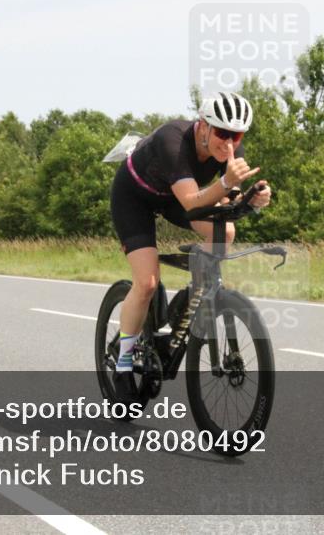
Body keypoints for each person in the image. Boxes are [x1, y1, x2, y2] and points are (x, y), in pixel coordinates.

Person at [109, 91, 272, 402]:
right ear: (203, 126)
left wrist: (252, 199)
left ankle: (196, 292)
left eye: (236, 135)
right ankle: (124, 363)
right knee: (146, 282)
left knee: (225, 232)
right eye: (223, 133)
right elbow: (192, 200)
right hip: (135, 198)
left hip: (174, 196)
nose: (229, 142)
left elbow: (227, 201)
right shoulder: (173, 139)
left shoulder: (230, 149)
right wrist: (225, 184)